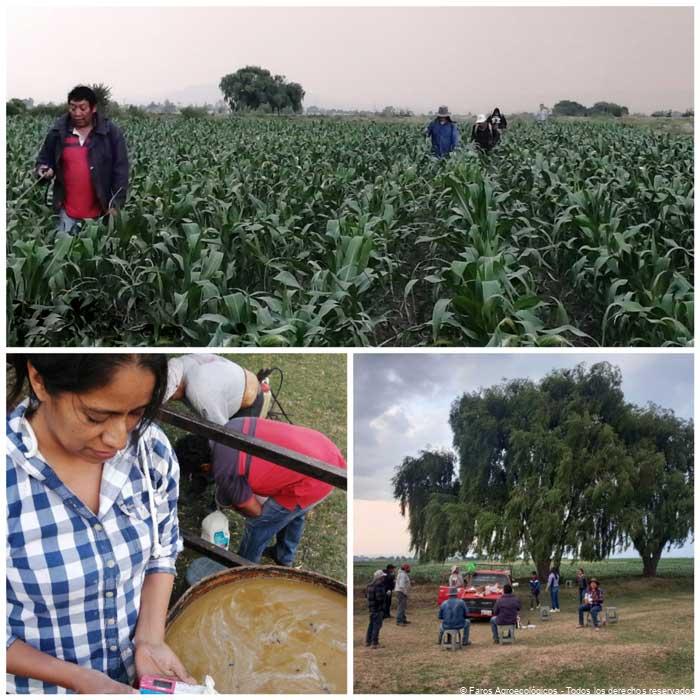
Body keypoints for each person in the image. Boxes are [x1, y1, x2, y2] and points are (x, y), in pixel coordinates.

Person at [6, 354, 193, 693]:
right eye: (96, 416)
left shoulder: (151, 451)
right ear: (39, 380)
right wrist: (78, 679)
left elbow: (162, 552)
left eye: (136, 413)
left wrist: (149, 641)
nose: (119, 439)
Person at [174, 417, 346, 566]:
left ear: (204, 466)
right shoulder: (231, 426)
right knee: (295, 513)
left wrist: (236, 503)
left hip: (314, 479)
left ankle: (243, 567)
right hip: (321, 448)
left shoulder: (224, 470)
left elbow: (255, 511)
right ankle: (283, 556)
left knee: (259, 525)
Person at [36, 85, 129, 234]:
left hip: (100, 214)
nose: (77, 113)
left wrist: (116, 204)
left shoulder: (110, 133)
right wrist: (43, 170)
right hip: (66, 213)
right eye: (73, 108)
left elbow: (121, 170)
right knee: (62, 253)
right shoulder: (58, 131)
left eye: (82, 108)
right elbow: (45, 159)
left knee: (94, 254)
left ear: (93, 108)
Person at [165, 354, 270, 426]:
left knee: (232, 450)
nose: (172, 400)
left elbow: (222, 431)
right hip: (239, 380)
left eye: (171, 397)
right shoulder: (182, 362)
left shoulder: (199, 393)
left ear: (177, 387)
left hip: (250, 400)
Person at [366, 570, 387, 648]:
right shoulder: (379, 586)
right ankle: (374, 643)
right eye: (382, 577)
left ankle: (368, 641)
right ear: (379, 577)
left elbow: (366, 596)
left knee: (371, 625)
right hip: (378, 609)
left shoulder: (369, 586)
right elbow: (379, 599)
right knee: (377, 626)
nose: (384, 578)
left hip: (371, 609)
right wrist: (385, 595)